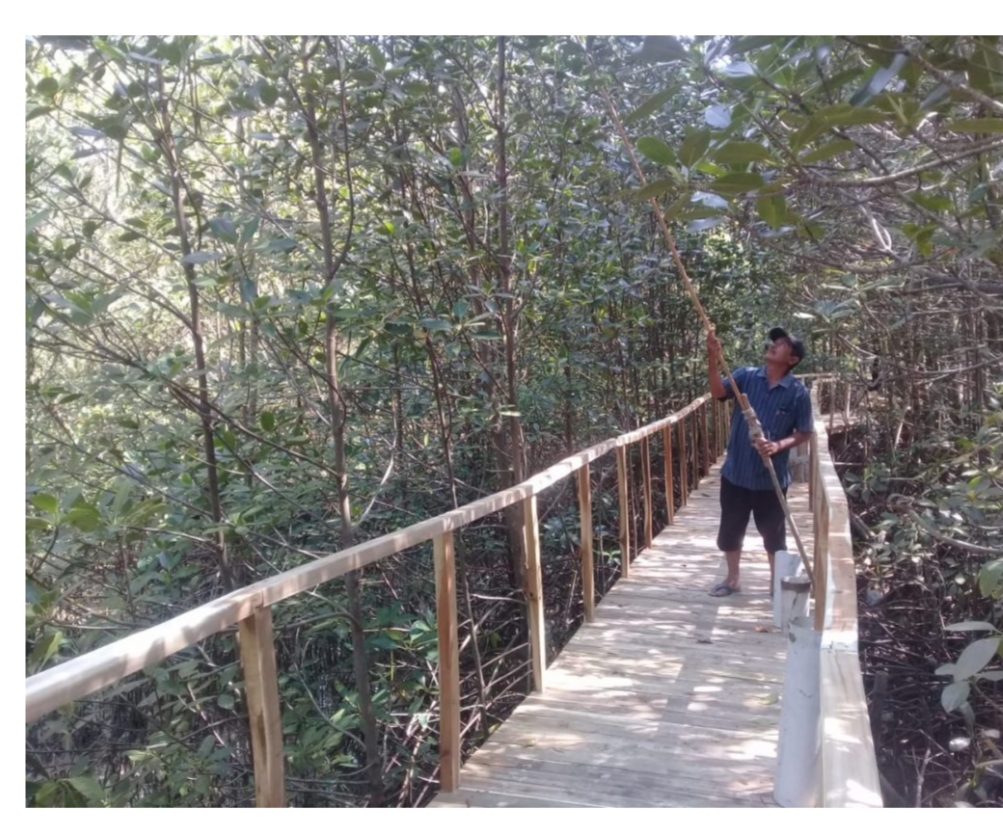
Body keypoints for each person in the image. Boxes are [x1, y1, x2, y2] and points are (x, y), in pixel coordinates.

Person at [706, 327, 812, 597]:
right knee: (731, 530)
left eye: (783, 343)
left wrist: (778, 445)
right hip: (736, 473)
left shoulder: (798, 393)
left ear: (793, 360)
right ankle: (732, 579)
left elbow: (804, 432)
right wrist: (712, 357)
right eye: (775, 340)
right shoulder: (746, 376)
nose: (774, 344)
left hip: (770, 479)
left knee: (773, 536)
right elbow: (718, 392)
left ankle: (775, 584)